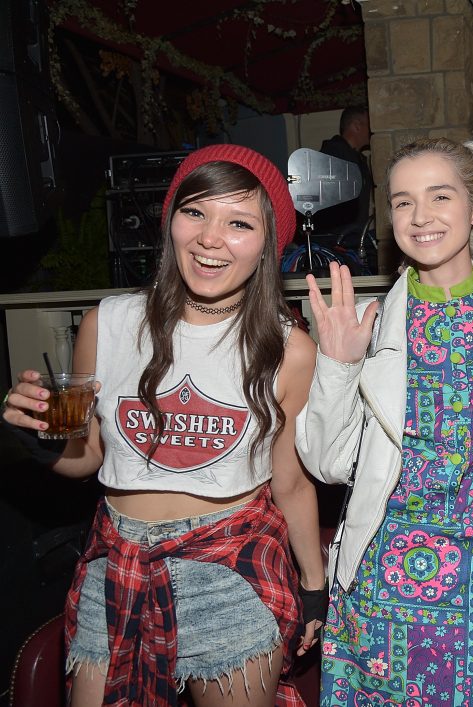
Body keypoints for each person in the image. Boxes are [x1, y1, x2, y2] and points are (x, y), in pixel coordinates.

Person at [1, 144, 325, 705]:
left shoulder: (289, 350)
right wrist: (39, 440)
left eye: (239, 222)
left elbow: (291, 483)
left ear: (268, 243)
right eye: (194, 211)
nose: (209, 238)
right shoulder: (108, 323)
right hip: (116, 560)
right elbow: (88, 457)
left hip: (231, 566)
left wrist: (315, 588)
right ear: (171, 219)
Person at [296, 137, 473, 706]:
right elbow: (327, 464)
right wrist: (337, 363)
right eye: (403, 202)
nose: (420, 216)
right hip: (382, 577)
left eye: (440, 196)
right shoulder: (370, 323)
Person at [318, 105, 374, 239]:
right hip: (337, 241)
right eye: (369, 125)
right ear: (356, 126)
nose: (372, 130)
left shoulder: (356, 158)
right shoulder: (333, 156)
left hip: (351, 239)